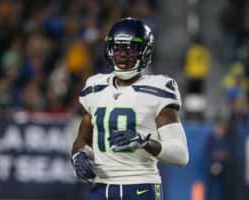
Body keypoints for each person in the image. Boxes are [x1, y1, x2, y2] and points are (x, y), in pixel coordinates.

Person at [70, 17, 189, 200]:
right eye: (117, 48)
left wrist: (144, 142)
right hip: (100, 187)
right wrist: (78, 156)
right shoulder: (95, 87)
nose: (122, 55)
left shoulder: (158, 89)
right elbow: (81, 140)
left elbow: (181, 155)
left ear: (144, 51)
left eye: (130, 49)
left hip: (140, 186)